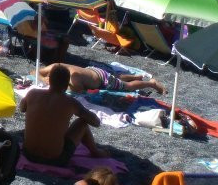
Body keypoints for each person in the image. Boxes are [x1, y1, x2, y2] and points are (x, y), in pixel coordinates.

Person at [21, 64, 105, 166]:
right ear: (67, 84)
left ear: (50, 80)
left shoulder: (32, 93)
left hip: (27, 153)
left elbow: (22, 109)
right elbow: (96, 122)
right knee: (82, 123)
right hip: (55, 159)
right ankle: (95, 151)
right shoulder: (70, 102)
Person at [37, 62, 165, 94]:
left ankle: (151, 83)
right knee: (116, 77)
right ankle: (135, 76)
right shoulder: (55, 65)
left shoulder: (73, 79)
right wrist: (43, 79)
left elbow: (80, 92)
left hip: (102, 80)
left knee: (127, 87)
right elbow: (35, 71)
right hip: (91, 70)